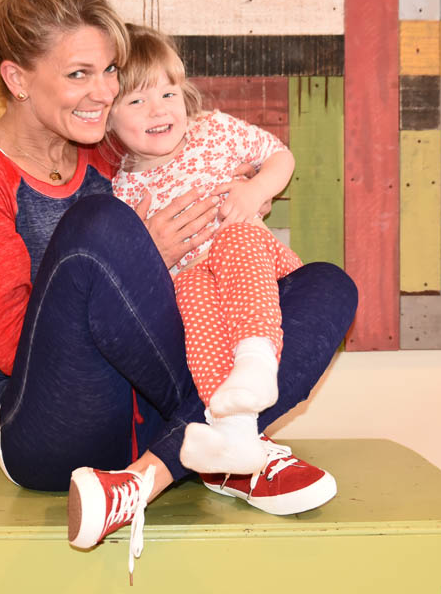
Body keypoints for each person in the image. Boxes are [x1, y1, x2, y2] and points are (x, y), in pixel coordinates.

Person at [0, 0, 358, 578]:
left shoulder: (114, 147)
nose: (105, 91)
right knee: (100, 226)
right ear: (17, 79)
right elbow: (15, 346)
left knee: (327, 285)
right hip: (53, 427)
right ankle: (226, 441)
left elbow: (217, 164)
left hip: (157, 409)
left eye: (110, 70)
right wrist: (138, 261)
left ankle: (158, 470)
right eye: (79, 74)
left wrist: (235, 206)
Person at [109, 23, 309, 478]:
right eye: (136, 101)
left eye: (168, 94)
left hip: (260, 269)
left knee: (234, 236)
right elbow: (136, 275)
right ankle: (232, 433)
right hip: (205, 291)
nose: (158, 109)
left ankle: (257, 360)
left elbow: (281, 156)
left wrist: (256, 189)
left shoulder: (213, 131)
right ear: (108, 118)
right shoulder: (122, 190)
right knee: (191, 294)